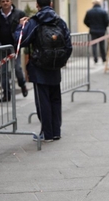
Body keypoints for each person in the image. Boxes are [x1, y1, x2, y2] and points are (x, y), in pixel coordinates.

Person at [15, 0, 72, 142]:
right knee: (55, 98)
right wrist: (60, 59)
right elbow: (68, 44)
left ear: (37, 5)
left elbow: (22, 40)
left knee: (43, 100)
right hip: (55, 66)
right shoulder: (59, 21)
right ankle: (56, 132)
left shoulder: (35, 21)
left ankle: (46, 134)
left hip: (39, 66)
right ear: (51, 4)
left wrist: (20, 27)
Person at [0, 0, 28, 102]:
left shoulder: (19, 13)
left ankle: (22, 84)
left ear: (11, 1)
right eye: (3, 1)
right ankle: (6, 94)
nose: (5, 3)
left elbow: (24, 30)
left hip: (14, 48)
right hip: (2, 48)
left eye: (7, 1)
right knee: (4, 72)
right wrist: (0, 46)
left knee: (17, 68)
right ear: (0, 3)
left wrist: (19, 43)